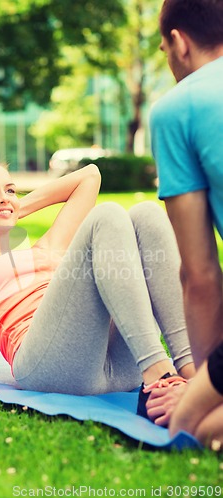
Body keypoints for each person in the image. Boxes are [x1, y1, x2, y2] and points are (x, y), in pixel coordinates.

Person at [0, 159, 195, 420]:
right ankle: (159, 373)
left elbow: (90, 175)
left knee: (146, 214)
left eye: (10, 189)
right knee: (107, 215)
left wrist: (13, 207)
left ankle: (192, 369)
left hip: (119, 366)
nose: (4, 197)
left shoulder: (49, 248)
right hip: (48, 368)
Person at [149, 0, 223, 446]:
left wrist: (202, 392)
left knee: (190, 427)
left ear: (179, 43)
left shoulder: (178, 108)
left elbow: (199, 276)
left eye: (163, 50)